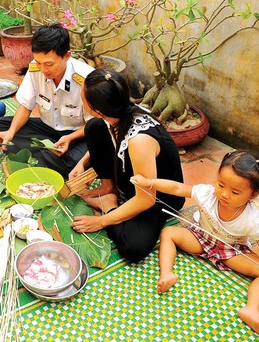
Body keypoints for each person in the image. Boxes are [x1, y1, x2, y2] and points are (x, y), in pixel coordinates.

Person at [131, 150, 259, 338]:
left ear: (253, 195)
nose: (224, 194)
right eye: (221, 185)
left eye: (235, 192)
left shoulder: (253, 219)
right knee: (169, 232)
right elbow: (179, 188)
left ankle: (252, 309)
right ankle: (166, 273)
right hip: (201, 238)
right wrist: (151, 183)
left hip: (232, 252)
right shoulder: (207, 193)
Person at [70, 69, 185, 263]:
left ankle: (109, 202)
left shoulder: (140, 140)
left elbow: (146, 200)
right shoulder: (116, 112)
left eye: (82, 96)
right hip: (134, 181)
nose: (80, 97)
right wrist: (83, 162)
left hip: (160, 198)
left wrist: (101, 220)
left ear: (98, 109)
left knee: (133, 248)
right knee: (94, 128)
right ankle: (108, 188)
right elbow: (109, 135)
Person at [0, 23, 94, 177]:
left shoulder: (85, 79)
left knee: (72, 162)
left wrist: (70, 138)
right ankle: (48, 153)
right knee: (3, 125)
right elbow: (26, 106)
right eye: (39, 62)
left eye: (49, 64)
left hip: (77, 135)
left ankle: (45, 153)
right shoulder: (35, 68)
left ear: (67, 56)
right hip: (48, 130)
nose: (43, 69)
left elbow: (95, 125)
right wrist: (11, 133)